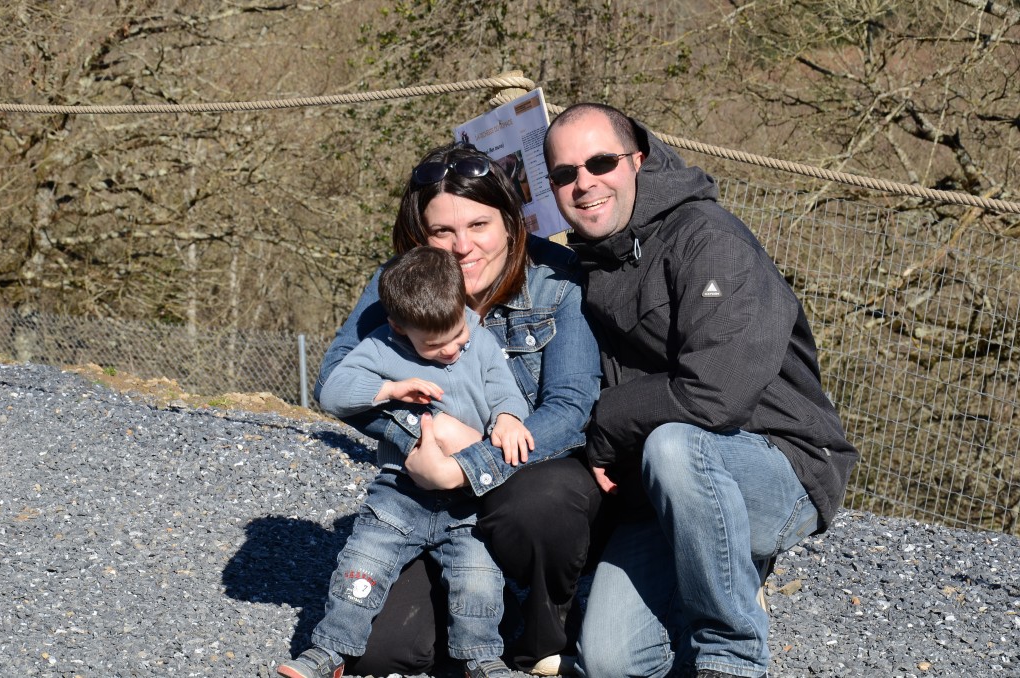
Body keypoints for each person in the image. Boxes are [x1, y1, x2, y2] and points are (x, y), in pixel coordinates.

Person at [542, 103, 860, 678]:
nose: (583, 182)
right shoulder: (586, 262)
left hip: (779, 463)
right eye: (564, 174)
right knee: (611, 663)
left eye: (600, 162)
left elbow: (717, 392)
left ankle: (731, 655)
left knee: (673, 444)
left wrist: (608, 425)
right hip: (664, 488)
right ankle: (716, 571)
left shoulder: (708, 238)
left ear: (637, 160)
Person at [308, 142, 603, 677]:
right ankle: (477, 614)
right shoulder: (396, 285)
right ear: (419, 236)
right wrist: (422, 432)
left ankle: (543, 627)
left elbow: (570, 406)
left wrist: (472, 460)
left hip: (529, 475)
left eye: (479, 225)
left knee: (543, 502)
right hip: (426, 493)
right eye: (442, 231)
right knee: (383, 653)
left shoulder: (557, 280)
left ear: (512, 223)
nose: (462, 246)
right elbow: (335, 381)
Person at [279, 246, 534, 678]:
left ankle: (482, 660)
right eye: (435, 346)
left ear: (463, 307)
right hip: (400, 491)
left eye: (458, 336)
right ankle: (329, 652)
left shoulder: (480, 338)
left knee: (478, 578)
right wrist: (391, 390)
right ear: (399, 328)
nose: (453, 350)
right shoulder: (381, 346)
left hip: (467, 497)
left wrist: (508, 417)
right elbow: (332, 391)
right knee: (363, 565)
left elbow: (505, 390)